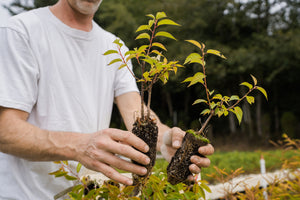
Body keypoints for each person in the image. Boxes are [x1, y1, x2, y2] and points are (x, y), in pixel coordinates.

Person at [0, 0, 214, 199]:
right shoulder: (21, 32)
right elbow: (5, 130)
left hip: (89, 195)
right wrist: (78, 145)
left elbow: (135, 111)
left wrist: (166, 139)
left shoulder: (115, 47)